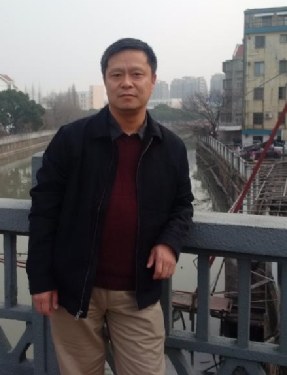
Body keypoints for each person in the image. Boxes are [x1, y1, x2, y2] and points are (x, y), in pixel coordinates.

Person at [27, 38, 194, 375]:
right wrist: (40, 279)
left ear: (153, 81)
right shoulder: (72, 139)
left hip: (138, 291)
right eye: (117, 75)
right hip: (75, 290)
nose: (126, 83)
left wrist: (169, 242)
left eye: (136, 74)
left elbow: (183, 205)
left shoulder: (171, 147)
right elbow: (44, 211)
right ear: (105, 81)